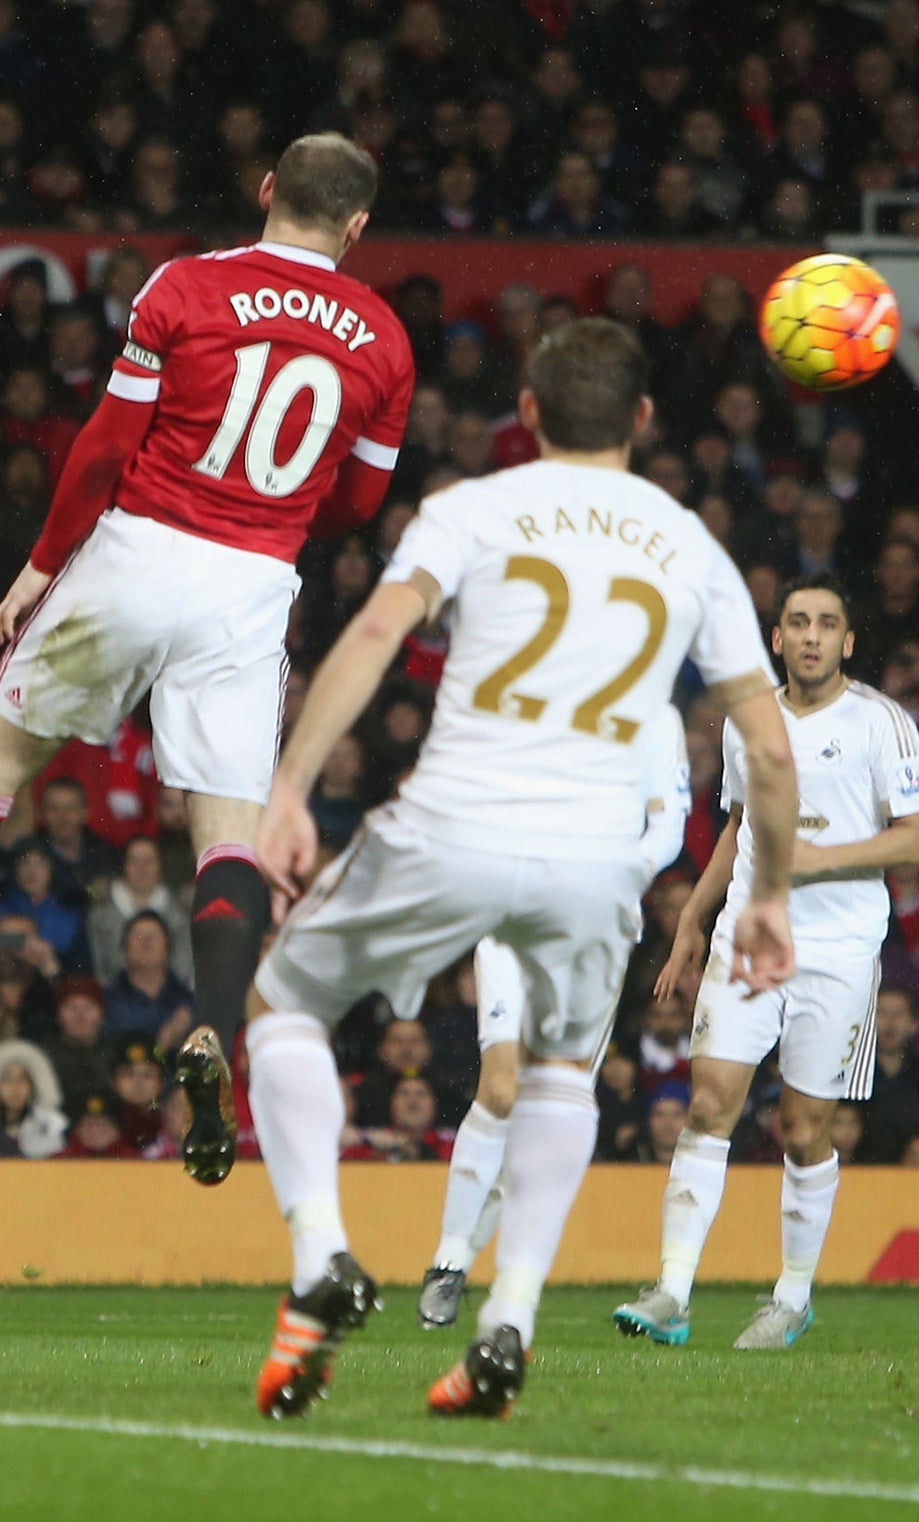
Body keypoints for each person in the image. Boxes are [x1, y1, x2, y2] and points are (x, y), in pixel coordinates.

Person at [0, 133, 414, 1193]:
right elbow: (362, 505)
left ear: (267, 189)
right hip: (249, 583)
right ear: (358, 228)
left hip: (139, 549)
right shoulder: (382, 337)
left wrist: (40, 565)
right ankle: (212, 1031)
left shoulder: (185, 287)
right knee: (225, 834)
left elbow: (102, 442)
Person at [240, 318, 796, 1421]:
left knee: (279, 1003)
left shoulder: (470, 509)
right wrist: (766, 894)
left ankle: (319, 1257)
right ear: (641, 419)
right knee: (555, 1076)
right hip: (597, 865)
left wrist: (290, 785)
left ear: (527, 414)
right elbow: (768, 747)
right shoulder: (689, 545)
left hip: (454, 824)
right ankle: (511, 1321)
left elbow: (369, 641)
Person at [614, 575, 919, 1352]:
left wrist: (825, 860)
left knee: (801, 1129)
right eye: (799, 622)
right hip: (749, 935)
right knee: (710, 1102)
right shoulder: (745, 722)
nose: (813, 635)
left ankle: (791, 1296)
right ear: (777, 639)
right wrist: (693, 916)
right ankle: (673, 1291)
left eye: (828, 623)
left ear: (848, 641)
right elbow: (737, 826)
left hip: (841, 950)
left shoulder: (883, 724)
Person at [416, 704, 689, 1328]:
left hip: (597, 927)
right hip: (515, 912)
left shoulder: (657, 716)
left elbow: (668, 821)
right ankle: (450, 1262)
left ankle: (489, 1268)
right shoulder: (527, 693)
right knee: (503, 1086)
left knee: (544, 1114)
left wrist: (616, 876)